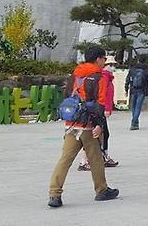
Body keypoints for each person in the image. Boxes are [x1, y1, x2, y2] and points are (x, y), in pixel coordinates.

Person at [47, 45, 119, 208]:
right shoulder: (98, 77)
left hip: (71, 124)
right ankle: (101, 190)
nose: (104, 62)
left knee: (65, 160)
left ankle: (54, 194)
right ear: (98, 59)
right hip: (88, 125)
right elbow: (100, 104)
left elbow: (67, 97)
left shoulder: (74, 76)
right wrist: (100, 125)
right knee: (96, 159)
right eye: (104, 59)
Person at [78, 55, 119, 170]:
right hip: (97, 110)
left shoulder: (108, 77)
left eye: (114, 65)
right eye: (110, 65)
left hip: (100, 109)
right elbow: (101, 95)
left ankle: (102, 156)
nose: (112, 67)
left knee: (102, 135)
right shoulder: (102, 77)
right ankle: (86, 160)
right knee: (97, 135)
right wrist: (104, 109)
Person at [125, 59, 148, 130]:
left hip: (133, 90)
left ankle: (135, 123)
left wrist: (126, 88)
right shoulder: (146, 69)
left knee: (133, 108)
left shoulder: (133, 69)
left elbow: (128, 79)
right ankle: (134, 122)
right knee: (138, 108)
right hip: (142, 90)